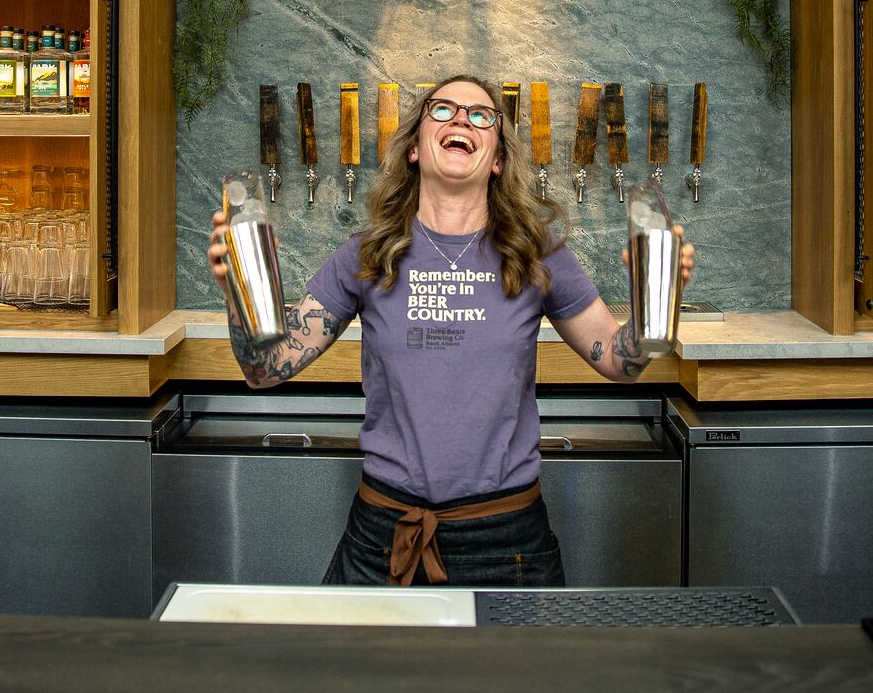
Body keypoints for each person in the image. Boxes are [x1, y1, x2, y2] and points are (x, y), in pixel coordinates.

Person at [208, 74, 695, 589]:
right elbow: (265, 369)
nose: (462, 119)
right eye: (442, 110)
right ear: (416, 147)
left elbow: (619, 362)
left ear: (498, 158)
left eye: (481, 115)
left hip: (507, 544)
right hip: (384, 536)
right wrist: (237, 293)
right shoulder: (366, 254)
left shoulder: (537, 252)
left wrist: (656, 301)